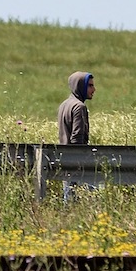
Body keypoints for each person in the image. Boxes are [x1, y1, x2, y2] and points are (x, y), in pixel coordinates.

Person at [57, 71, 95, 201]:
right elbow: (77, 137)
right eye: (90, 86)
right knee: (93, 199)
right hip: (77, 160)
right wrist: (81, 162)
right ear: (81, 86)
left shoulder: (64, 105)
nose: (94, 89)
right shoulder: (79, 107)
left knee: (69, 199)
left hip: (64, 158)